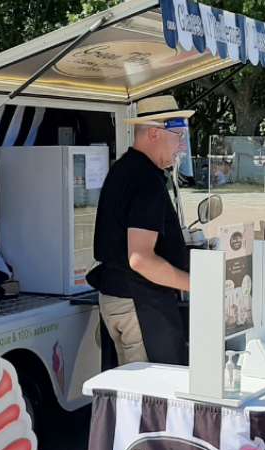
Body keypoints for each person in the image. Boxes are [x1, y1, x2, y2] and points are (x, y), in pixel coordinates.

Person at [86, 95, 193, 365]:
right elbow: (141, 259)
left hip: (118, 296)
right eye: (178, 135)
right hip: (140, 302)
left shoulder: (123, 169)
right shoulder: (146, 180)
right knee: (153, 396)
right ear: (155, 133)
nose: (181, 145)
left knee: (134, 393)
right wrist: (197, 285)